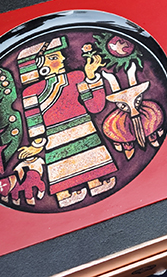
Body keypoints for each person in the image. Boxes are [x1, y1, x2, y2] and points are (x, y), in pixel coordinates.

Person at [17, 37, 118, 208]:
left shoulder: (77, 77)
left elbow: (95, 106)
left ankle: (95, 184)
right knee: (61, 166)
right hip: (55, 138)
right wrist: (37, 143)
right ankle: (64, 196)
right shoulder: (30, 93)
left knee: (90, 158)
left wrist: (91, 76)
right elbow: (34, 120)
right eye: (55, 57)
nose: (63, 58)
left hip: (84, 130)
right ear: (40, 66)